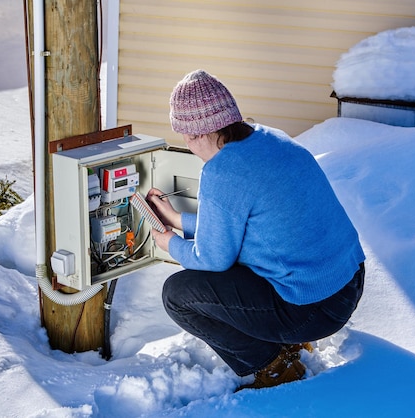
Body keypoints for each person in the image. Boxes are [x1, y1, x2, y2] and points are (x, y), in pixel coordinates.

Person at [146, 69, 365, 390]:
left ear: (194, 135)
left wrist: (170, 243)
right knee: (238, 269)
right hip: (348, 282)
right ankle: (285, 341)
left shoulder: (222, 170)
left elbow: (213, 259)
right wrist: (180, 220)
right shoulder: (270, 138)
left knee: (178, 295)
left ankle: (272, 365)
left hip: (313, 309)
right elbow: (246, 227)